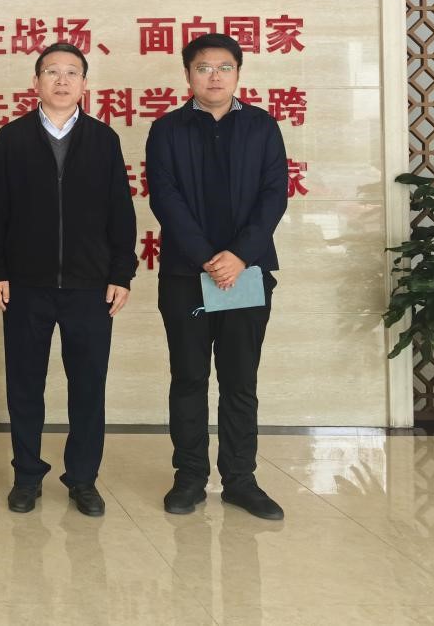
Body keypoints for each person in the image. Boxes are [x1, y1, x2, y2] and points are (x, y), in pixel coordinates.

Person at [0, 42, 137, 516]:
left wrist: (121, 273)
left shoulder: (103, 139)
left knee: (88, 387)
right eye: (52, 72)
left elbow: (121, 211)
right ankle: (27, 476)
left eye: (72, 72)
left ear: (85, 84)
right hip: (26, 284)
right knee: (25, 385)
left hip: (91, 287)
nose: (62, 80)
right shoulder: (12, 138)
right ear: (36, 82)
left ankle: (83, 479)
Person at [146, 33, 289, 521]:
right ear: (188, 74)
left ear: (238, 73)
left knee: (239, 380)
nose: (214, 76)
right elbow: (164, 198)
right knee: (188, 378)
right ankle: (189, 478)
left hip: (247, 274)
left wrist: (240, 255)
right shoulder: (167, 130)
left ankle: (240, 480)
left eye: (224, 67)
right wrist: (209, 257)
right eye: (203, 67)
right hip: (186, 275)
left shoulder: (262, 126)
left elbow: (274, 194)